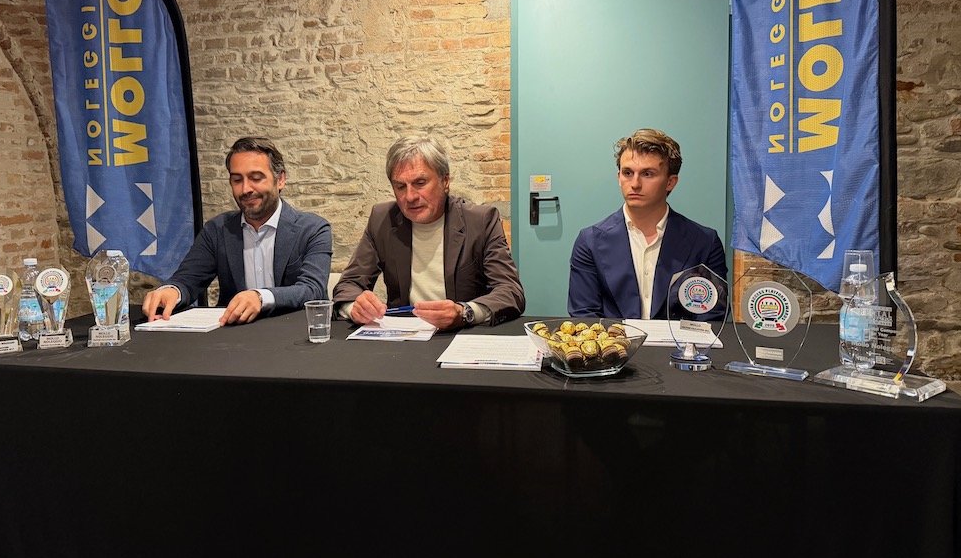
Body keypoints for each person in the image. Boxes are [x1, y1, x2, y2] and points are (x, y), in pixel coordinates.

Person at [333, 135, 525, 330]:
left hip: (462, 334)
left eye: (420, 183)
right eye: (400, 186)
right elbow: (349, 285)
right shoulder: (382, 219)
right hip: (404, 335)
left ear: (445, 181)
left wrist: (464, 312)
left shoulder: (480, 221)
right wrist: (355, 308)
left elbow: (510, 291)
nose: (410, 197)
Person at [142, 136, 332, 325]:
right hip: (233, 335)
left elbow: (312, 289)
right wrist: (172, 291)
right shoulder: (217, 230)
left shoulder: (313, 229)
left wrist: (260, 297)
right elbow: (187, 279)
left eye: (256, 178)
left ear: (280, 179)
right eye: (237, 180)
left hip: (294, 333)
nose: (246, 189)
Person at [567, 128, 726, 320]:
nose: (635, 184)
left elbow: (712, 317)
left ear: (670, 182)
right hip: (614, 340)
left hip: (680, 340)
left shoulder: (705, 242)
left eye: (647, 174)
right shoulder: (590, 241)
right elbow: (584, 316)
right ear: (619, 178)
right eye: (627, 173)